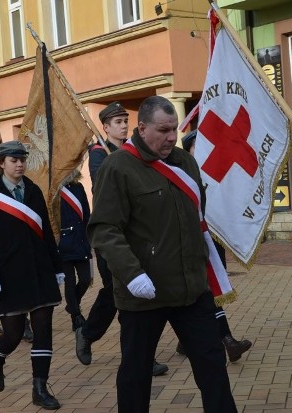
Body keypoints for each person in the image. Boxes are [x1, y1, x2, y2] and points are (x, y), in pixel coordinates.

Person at [87, 96, 237, 412]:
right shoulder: (118, 168)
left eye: (175, 129)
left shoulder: (185, 163)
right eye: (163, 130)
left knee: (212, 367)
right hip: (144, 294)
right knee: (136, 374)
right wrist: (133, 273)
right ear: (142, 128)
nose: (171, 137)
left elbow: (197, 217)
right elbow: (104, 229)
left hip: (190, 290)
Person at [76, 101, 169, 376]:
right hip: (112, 234)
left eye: (125, 120)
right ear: (104, 127)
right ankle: (88, 333)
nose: (123, 125)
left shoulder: (135, 150)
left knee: (138, 300)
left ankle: (143, 356)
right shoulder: (98, 154)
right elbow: (106, 183)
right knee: (114, 294)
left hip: (138, 233)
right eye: (117, 122)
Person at [0, 140, 64, 410]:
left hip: (39, 271)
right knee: (13, 335)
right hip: (8, 275)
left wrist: (57, 265)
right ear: (1, 163)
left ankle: (40, 387)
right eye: (13, 160)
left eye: (22, 159)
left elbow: (46, 230)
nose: (19, 164)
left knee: (43, 330)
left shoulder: (34, 191)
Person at [175, 130, 252, 363]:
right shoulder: (182, 173)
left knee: (205, 293)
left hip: (212, 238)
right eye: (199, 145)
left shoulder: (216, 172)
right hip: (191, 240)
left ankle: (187, 341)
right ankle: (227, 339)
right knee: (206, 292)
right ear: (189, 150)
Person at [58, 172, 91, 332]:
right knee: (69, 282)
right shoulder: (54, 189)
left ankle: (72, 305)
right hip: (63, 243)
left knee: (85, 279)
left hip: (80, 239)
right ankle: (76, 316)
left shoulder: (78, 187)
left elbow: (86, 213)